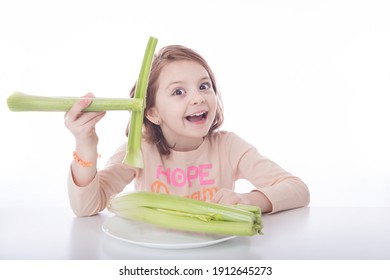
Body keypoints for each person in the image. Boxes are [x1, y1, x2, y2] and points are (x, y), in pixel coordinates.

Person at [65, 45, 310, 217]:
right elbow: (86, 207)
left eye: (204, 86)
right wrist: (85, 143)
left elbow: (298, 190)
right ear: (152, 112)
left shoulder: (229, 147)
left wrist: (249, 200)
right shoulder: (140, 150)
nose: (198, 98)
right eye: (178, 92)